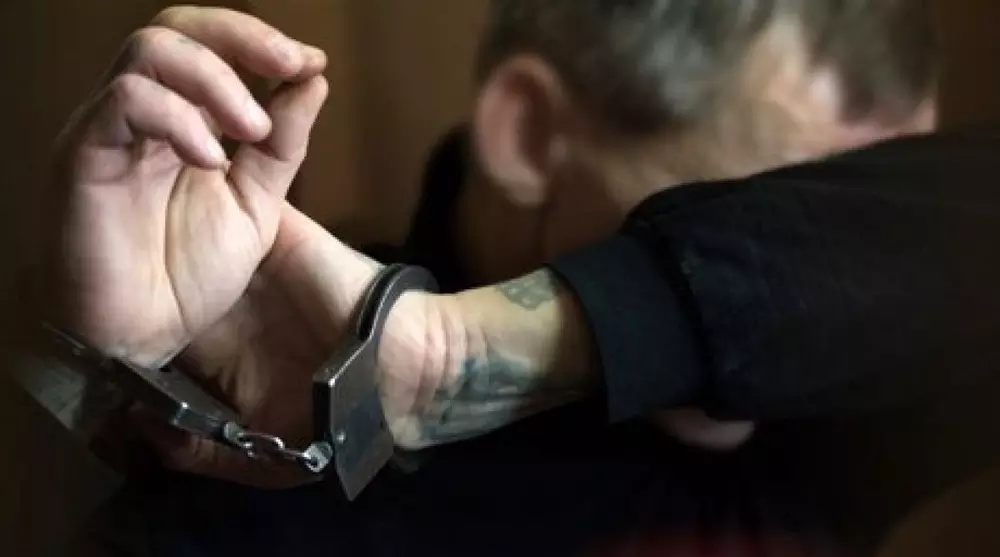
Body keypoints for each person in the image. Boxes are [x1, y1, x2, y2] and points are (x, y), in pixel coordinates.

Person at [36, 3, 999, 557]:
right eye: (781, 215)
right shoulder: (274, 464)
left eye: (880, 212)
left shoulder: (831, 428)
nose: (847, 284)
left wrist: (466, 351)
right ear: (532, 134)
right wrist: (92, 368)